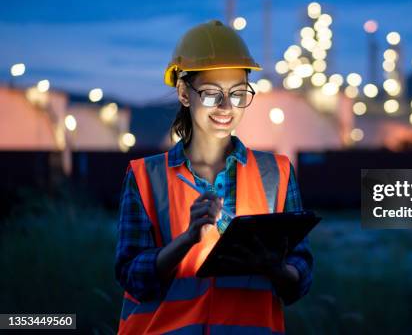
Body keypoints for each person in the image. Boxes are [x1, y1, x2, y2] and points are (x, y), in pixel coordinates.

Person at [114, 20, 314, 334]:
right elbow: (131, 276)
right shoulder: (145, 176)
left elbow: (299, 279)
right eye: (210, 94)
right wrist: (186, 241)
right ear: (183, 92)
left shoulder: (277, 173)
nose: (225, 107)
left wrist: (273, 268)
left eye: (237, 94)